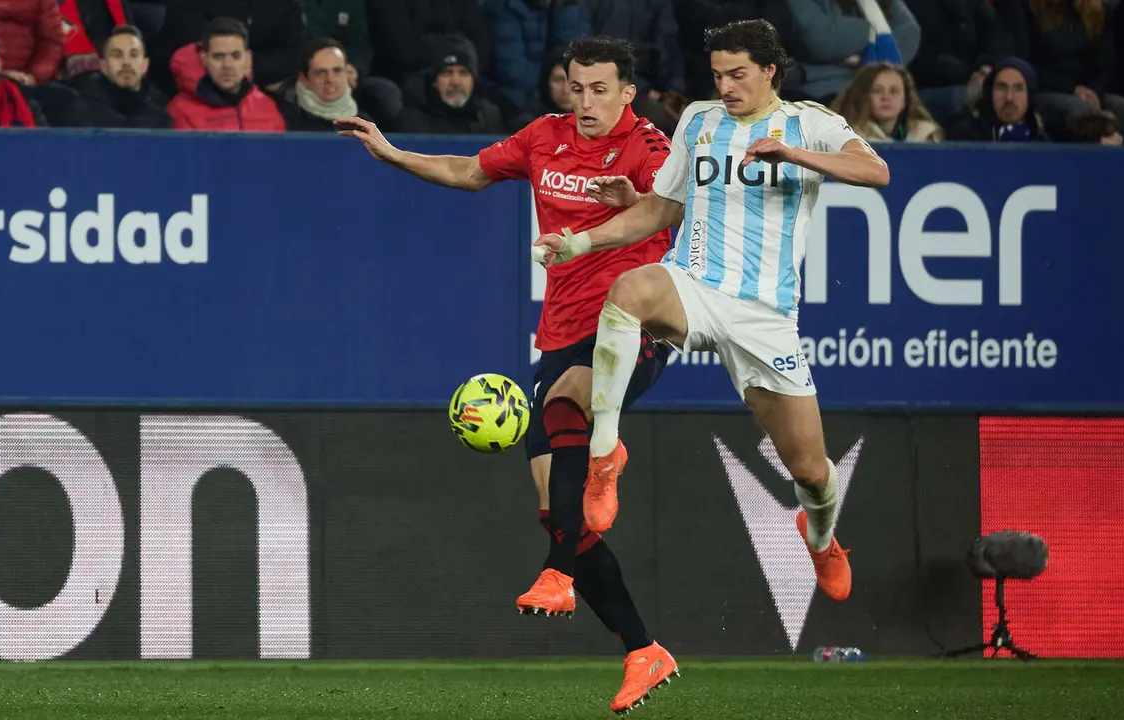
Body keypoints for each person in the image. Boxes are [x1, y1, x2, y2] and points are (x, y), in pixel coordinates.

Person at [336, 35, 679, 715]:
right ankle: (644, 650)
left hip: (631, 322)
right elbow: (470, 171)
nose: (585, 101)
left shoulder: (649, 147)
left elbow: (672, 208)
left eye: (600, 89)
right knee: (559, 511)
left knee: (567, 401)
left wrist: (632, 198)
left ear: (627, 92)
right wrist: (394, 154)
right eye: (576, 88)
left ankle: (559, 567)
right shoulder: (544, 137)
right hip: (559, 332)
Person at [535, 19, 891, 605]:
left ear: (770, 71)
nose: (725, 86)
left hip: (764, 316)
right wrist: (577, 243)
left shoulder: (808, 122)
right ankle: (605, 455)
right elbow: (660, 210)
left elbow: (876, 171)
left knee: (810, 470)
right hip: (694, 284)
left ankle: (822, 539)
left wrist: (793, 154)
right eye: (718, 74)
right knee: (628, 291)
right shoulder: (699, 120)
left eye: (737, 74)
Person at [831, 61, 943, 142]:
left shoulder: (924, 135)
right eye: (877, 91)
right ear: (862, 97)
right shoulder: (847, 136)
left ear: (905, 100)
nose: (886, 97)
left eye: (894, 91)